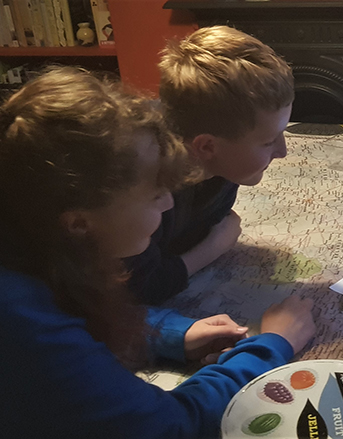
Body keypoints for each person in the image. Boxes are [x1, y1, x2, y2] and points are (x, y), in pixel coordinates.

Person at [0, 67, 315, 438]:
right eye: (154, 195)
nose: (169, 204)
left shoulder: (34, 247)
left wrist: (171, 332)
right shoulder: (20, 318)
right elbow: (174, 425)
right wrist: (270, 346)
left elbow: (77, 315)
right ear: (79, 223)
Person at [125, 25, 294, 305]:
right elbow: (140, 287)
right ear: (206, 147)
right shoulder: (142, 189)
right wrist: (216, 245)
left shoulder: (223, 161)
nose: (283, 151)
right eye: (268, 142)